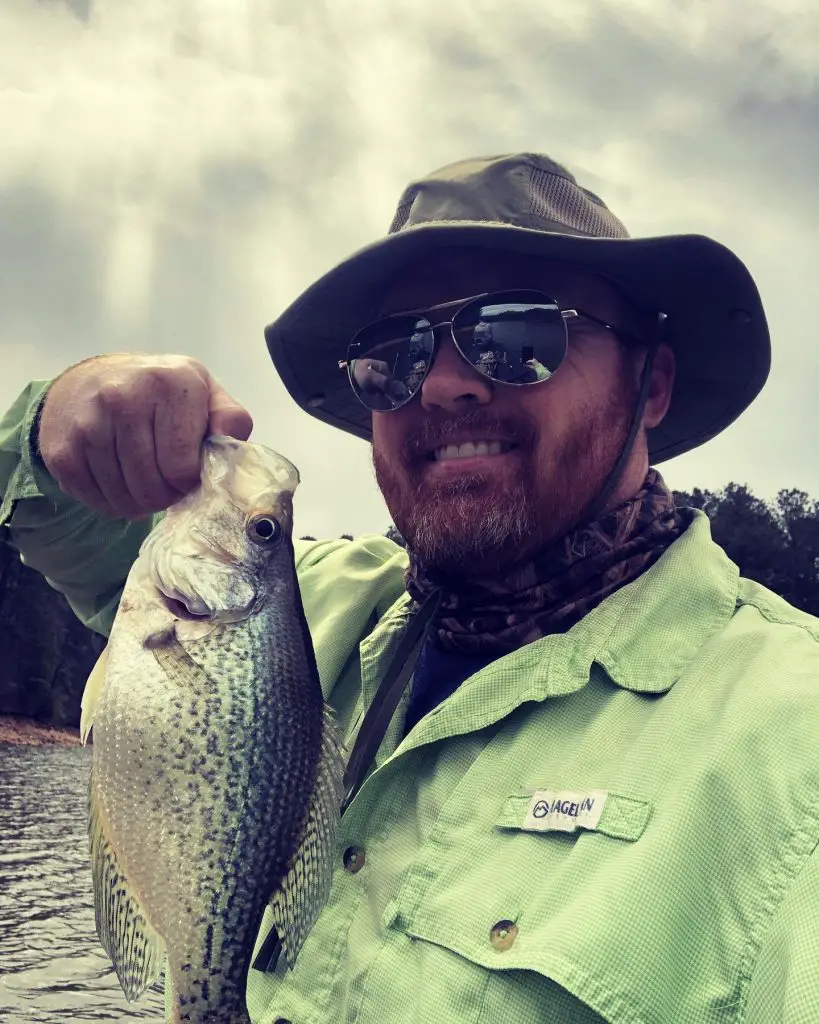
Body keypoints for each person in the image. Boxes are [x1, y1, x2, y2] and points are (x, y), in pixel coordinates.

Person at [0, 153, 816, 1023]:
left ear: (648, 385)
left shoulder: (787, 741)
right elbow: (52, 513)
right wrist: (60, 416)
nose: (444, 380)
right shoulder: (301, 603)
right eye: (396, 353)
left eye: (517, 334)